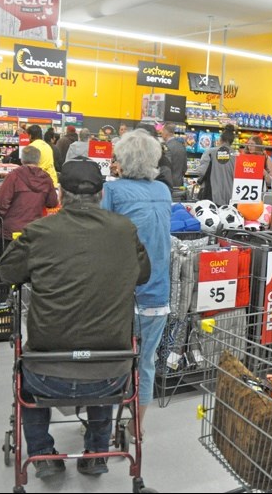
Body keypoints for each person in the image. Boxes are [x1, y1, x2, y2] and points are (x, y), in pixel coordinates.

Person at [0, 158, 150, 479]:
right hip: (112, 373)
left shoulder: (38, 232)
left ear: (61, 193)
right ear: (101, 193)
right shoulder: (125, 230)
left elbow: (7, 271)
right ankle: (97, 450)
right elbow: (144, 273)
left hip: (45, 373)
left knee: (26, 379)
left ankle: (42, 454)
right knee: (100, 351)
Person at [101, 130, 171, 440]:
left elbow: (98, 236)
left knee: (112, 360)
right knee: (145, 364)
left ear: (121, 160)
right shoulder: (164, 191)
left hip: (122, 294)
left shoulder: (112, 192)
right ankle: (135, 428)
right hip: (158, 291)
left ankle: (103, 420)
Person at [0, 145, 59, 258]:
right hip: (34, 231)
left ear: (22, 159)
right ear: (38, 160)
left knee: (5, 268)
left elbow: (2, 202)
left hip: (11, 232)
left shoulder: (13, 176)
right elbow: (52, 202)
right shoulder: (46, 178)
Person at [196, 124, 237, 206]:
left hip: (212, 194)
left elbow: (202, 172)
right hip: (231, 196)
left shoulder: (210, 152)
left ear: (220, 139)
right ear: (232, 141)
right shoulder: (236, 156)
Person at [26, 124, 59, 189]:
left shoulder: (32, 147)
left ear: (30, 136)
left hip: (40, 182)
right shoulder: (47, 146)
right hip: (52, 179)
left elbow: (30, 168)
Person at [162, 122, 187, 187]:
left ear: (166, 132)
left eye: (162, 131)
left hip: (167, 183)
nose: (161, 133)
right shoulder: (181, 146)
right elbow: (184, 168)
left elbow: (165, 167)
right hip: (179, 183)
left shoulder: (165, 147)